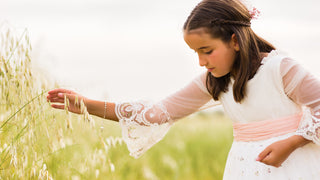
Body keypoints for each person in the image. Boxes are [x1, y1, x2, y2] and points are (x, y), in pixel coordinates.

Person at [47, 0, 320, 179]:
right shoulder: (213, 81)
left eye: (207, 51)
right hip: (244, 169)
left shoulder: (280, 68)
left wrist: (294, 141)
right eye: (196, 53)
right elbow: (157, 113)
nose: (202, 62)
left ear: (235, 41)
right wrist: (86, 105)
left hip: (295, 166)